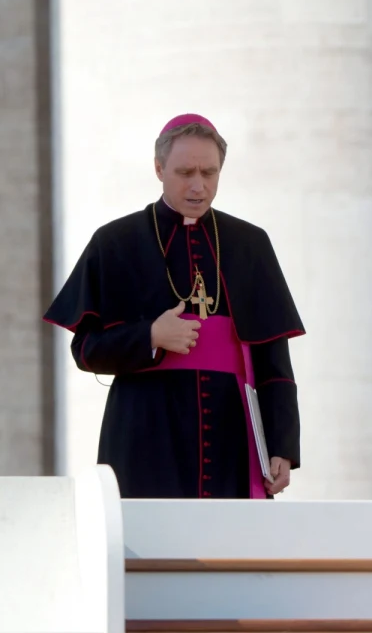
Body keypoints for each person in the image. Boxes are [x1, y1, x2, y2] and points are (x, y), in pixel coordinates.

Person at [44, 114, 305, 499]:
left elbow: (274, 362)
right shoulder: (116, 242)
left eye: (209, 173)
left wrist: (282, 444)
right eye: (185, 172)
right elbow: (86, 350)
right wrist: (149, 336)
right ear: (159, 168)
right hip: (146, 433)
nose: (198, 186)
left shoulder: (250, 244)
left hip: (232, 433)